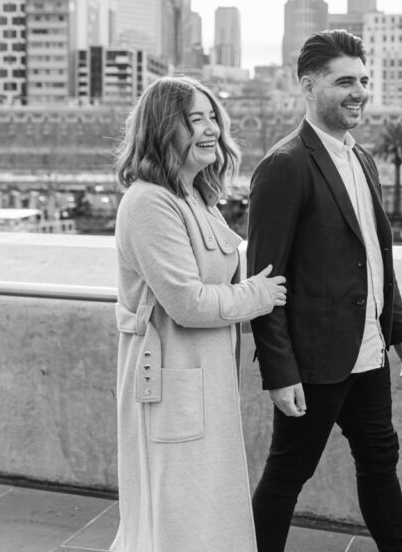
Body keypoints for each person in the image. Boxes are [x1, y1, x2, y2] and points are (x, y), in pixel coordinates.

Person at [247, 30, 402, 552]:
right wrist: (281, 374)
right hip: (315, 362)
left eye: (364, 80)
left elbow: (374, 260)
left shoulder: (361, 159)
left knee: (380, 464)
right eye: (345, 81)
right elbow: (263, 282)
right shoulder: (284, 167)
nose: (359, 92)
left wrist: (399, 332)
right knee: (287, 475)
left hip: (368, 353)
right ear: (308, 86)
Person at [110, 76, 287, 551]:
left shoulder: (196, 197)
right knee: (176, 518)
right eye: (196, 120)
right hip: (171, 385)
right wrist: (259, 294)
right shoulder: (149, 202)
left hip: (203, 380)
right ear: (165, 129)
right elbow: (188, 303)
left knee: (202, 513)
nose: (211, 129)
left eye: (214, 117)